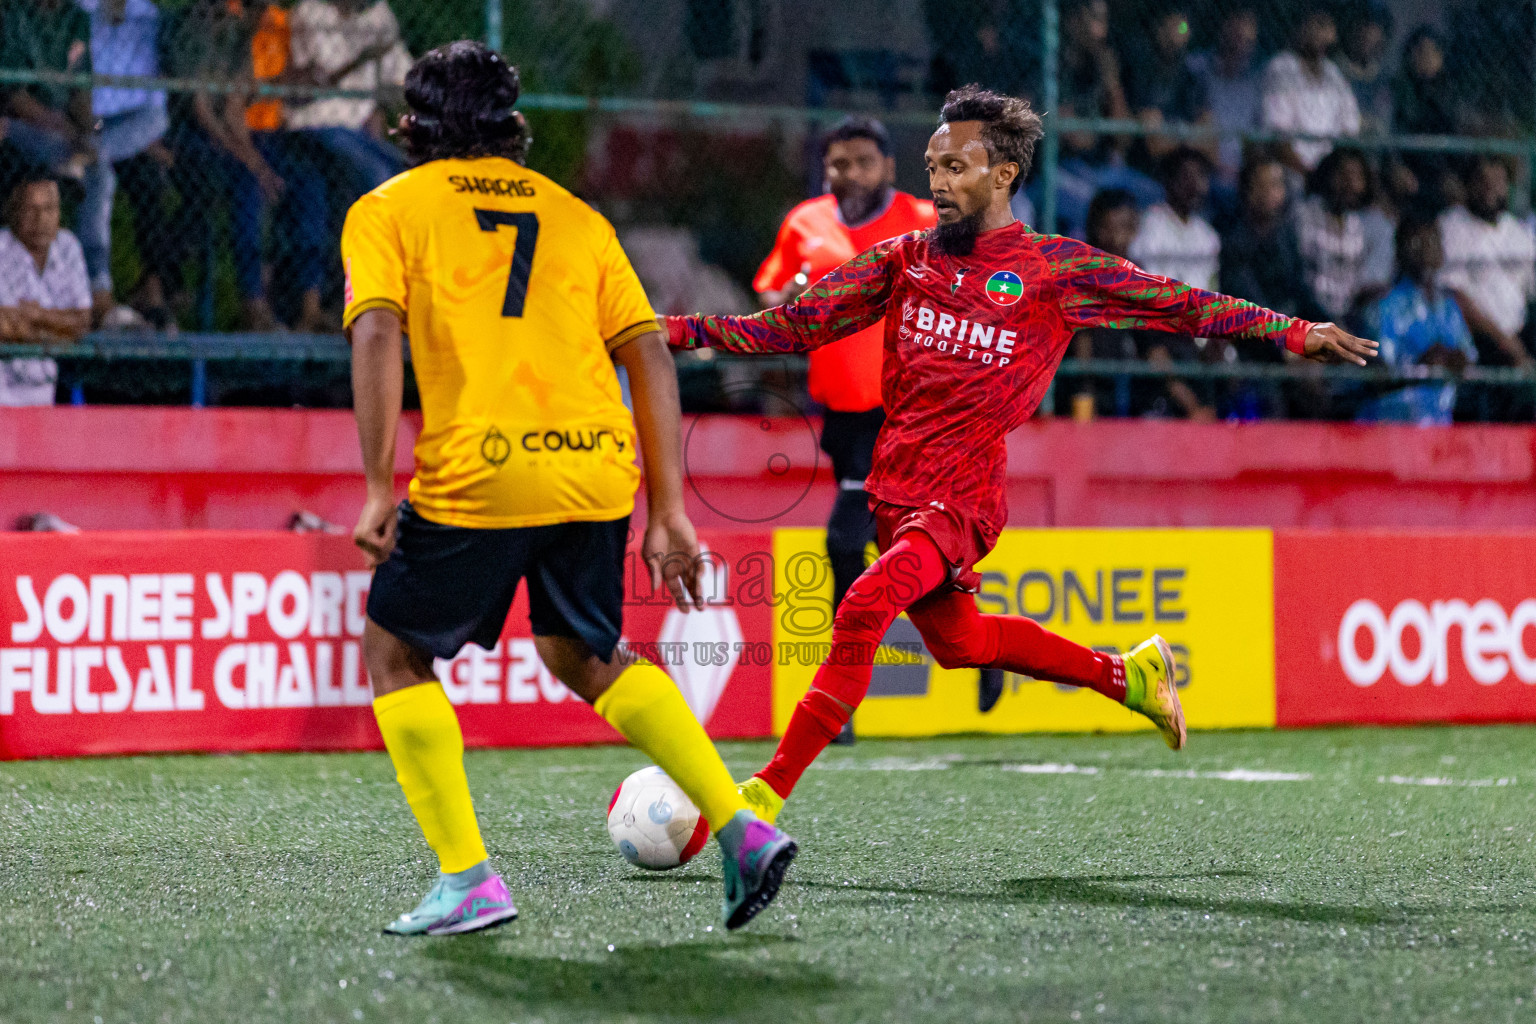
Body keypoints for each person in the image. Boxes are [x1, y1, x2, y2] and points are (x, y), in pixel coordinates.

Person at [665, 85, 1377, 824]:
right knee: (960, 643)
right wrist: (672, 331)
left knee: (867, 600)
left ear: (1003, 175)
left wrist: (1294, 332)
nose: (939, 182)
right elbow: (793, 325)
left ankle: (763, 797)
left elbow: (1178, 301)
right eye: (933, 166)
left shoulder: (1052, 270)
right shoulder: (902, 260)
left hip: (964, 497)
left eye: (957, 166)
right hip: (895, 487)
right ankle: (1128, 676)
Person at [343, 41, 795, 936]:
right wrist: (668, 509)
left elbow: (377, 336)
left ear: (415, 124)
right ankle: (741, 831)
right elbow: (651, 352)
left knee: (394, 650)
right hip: (594, 466)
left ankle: (468, 878)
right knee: (581, 655)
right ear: (513, 124)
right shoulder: (578, 216)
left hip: (483, 465)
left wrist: (375, 482)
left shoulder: (386, 209)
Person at [753, 117, 958, 727]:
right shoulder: (805, 222)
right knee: (894, 549)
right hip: (839, 413)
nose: (849, 174)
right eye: (839, 163)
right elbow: (772, 293)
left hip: (902, 413)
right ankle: (976, 638)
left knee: (845, 541)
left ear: (888, 167)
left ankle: (838, 704)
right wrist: (785, 298)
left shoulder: (925, 219)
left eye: (863, 161)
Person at [162, 0, 330, 332]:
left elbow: (233, 109)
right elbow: (203, 112)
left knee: (308, 182)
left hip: (236, 137)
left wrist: (259, 164)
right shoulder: (190, 27)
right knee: (247, 183)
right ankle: (253, 303)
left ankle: (310, 308)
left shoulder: (238, 35)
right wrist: (254, 167)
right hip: (189, 136)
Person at [77, 0, 174, 326]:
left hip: (128, 131)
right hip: (88, 121)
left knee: (151, 179)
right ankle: (99, 287)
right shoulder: (84, 8)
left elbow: (155, 95)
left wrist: (144, 140)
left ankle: (153, 290)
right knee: (100, 178)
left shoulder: (146, 13)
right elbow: (76, 78)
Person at [1129, 146, 1221, 420]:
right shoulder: (1151, 225)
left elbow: (1213, 294)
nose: (1194, 185)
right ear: (1169, 181)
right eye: (1186, 177)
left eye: (1200, 177)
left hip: (1199, 332)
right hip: (1163, 327)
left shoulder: (1208, 236)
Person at [1358, 215, 1477, 425]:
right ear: (1399, 252)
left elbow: (1467, 356)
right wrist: (1421, 366)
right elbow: (1379, 375)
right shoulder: (1384, 307)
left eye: (1431, 242)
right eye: (1415, 243)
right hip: (1392, 423)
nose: (1424, 251)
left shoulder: (1449, 306)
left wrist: (1456, 359)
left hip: (1441, 424)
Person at [284, 0, 411, 195]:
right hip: (320, 121)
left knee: (405, 172)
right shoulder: (311, 11)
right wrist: (362, 58)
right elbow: (323, 74)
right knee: (379, 176)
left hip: (360, 128)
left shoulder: (378, 14)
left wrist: (380, 107)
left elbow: (402, 76)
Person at [0, 175, 92, 406]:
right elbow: (8, 327)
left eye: (49, 209)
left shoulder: (68, 247)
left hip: (45, 384)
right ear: (13, 212)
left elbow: (82, 321)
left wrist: (39, 316)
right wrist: (58, 331)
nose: (41, 219)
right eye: (31, 210)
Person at [1436, 157, 1535, 370]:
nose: (1490, 188)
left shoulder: (1518, 231)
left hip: (1519, 333)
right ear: (1469, 185)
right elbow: (1456, 296)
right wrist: (1507, 344)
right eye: (1482, 181)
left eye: (1498, 181)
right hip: (1475, 337)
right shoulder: (1451, 226)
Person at [1261, 6, 1360, 175]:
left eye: (1328, 27)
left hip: (1331, 172)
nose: (1324, 35)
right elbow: (1278, 140)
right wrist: (1310, 176)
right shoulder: (1281, 67)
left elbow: (1350, 129)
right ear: (1301, 27)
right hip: (1291, 172)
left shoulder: (1333, 72)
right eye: (1318, 25)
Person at [1293, 147, 1388, 322]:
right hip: (1305, 318)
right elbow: (1298, 279)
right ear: (1328, 176)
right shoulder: (1305, 216)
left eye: (1356, 177)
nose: (1350, 184)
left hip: (1346, 320)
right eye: (1343, 176)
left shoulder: (1358, 225)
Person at [1185, 5, 1262, 194]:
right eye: (1237, 34)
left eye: (1248, 39)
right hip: (1203, 168)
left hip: (1241, 176)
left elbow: (1255, 141)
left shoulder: (1254, 82)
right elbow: (1195, 126)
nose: (1241, 42)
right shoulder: (1196, 68)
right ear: (1223, 28)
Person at [1338, 5, 1393, 137]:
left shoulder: (1384, 79)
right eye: (1363, 27)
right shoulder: (1334, 71)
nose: (1368, 35)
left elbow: (1384, 122)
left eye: (1375, 30)